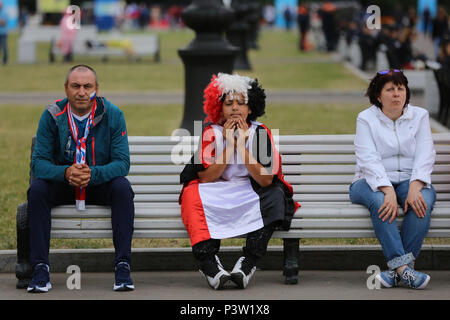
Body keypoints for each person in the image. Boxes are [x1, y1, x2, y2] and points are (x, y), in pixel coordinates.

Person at [179, 73, 300, 290]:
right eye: (228, 103)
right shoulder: (209, 131)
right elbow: (206, 177)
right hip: (216, 189)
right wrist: (228, 145)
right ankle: (210, 266)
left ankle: (247, 264)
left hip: (249, 190)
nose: (235, 108)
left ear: (251, 108)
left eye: (241, 103)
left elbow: (265, 180)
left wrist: (242, 145)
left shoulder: (261, 133)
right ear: (220, 108)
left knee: (275, 196)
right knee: (190, 195)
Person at [27, 65, 135, 293]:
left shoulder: (112, 114)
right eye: (75, 86)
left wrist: (93, 174)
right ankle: (39, 268)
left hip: (98, 183)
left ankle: (123, 266)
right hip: (63, 184)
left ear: (97, 89)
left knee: (123, 188)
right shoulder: (52, 115)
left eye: (88, 86)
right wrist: (65, 173)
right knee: (36, 191)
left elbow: (122, 163)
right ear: (66, 89)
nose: (82, 92)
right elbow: (39, 163)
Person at [349, 69, 436, 289]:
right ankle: (405, 270)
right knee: (380, 202)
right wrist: (386, 189)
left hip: (410, 180)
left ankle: (398, 271)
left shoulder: (420, 116)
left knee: (421, 201)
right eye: (390, 89)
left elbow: (426, 152)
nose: (396, 94)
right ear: (379, 96)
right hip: (368, 182)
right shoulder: (366, 118)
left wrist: (417, 185)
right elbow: (367, 158)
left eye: (400, 89)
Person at [0, 0, 8, 65]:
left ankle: (5, 61)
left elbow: (4, 23)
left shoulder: (4, 13)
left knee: (4, 47)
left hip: (3, 33)